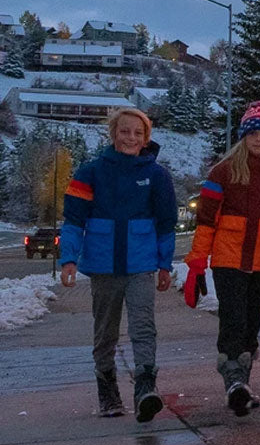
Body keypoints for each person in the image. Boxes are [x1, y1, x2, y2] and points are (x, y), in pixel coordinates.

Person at [182, 101, 260, 416]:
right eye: (252, 133)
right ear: (243, 136)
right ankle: (234, 382)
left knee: (251, 325)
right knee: (233, 321)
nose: (258, 140)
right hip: (228, 261)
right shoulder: (223, 172)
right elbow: (206, 223)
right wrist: (196, 266)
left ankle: (242, 385)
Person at [59, 107, 176, 421]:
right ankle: (107, 389)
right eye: (125, 131)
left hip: (141, 265)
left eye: (138, 133)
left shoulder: (157, 176)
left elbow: (166, 224)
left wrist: (165, 265)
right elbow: (73, 220)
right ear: (113, 134)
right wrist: (68, 258)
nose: (131, 138)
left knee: (143, 326)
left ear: (146, 138)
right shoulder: (90, 172)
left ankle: (145, 388)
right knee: (106, 330)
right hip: (103, 265)